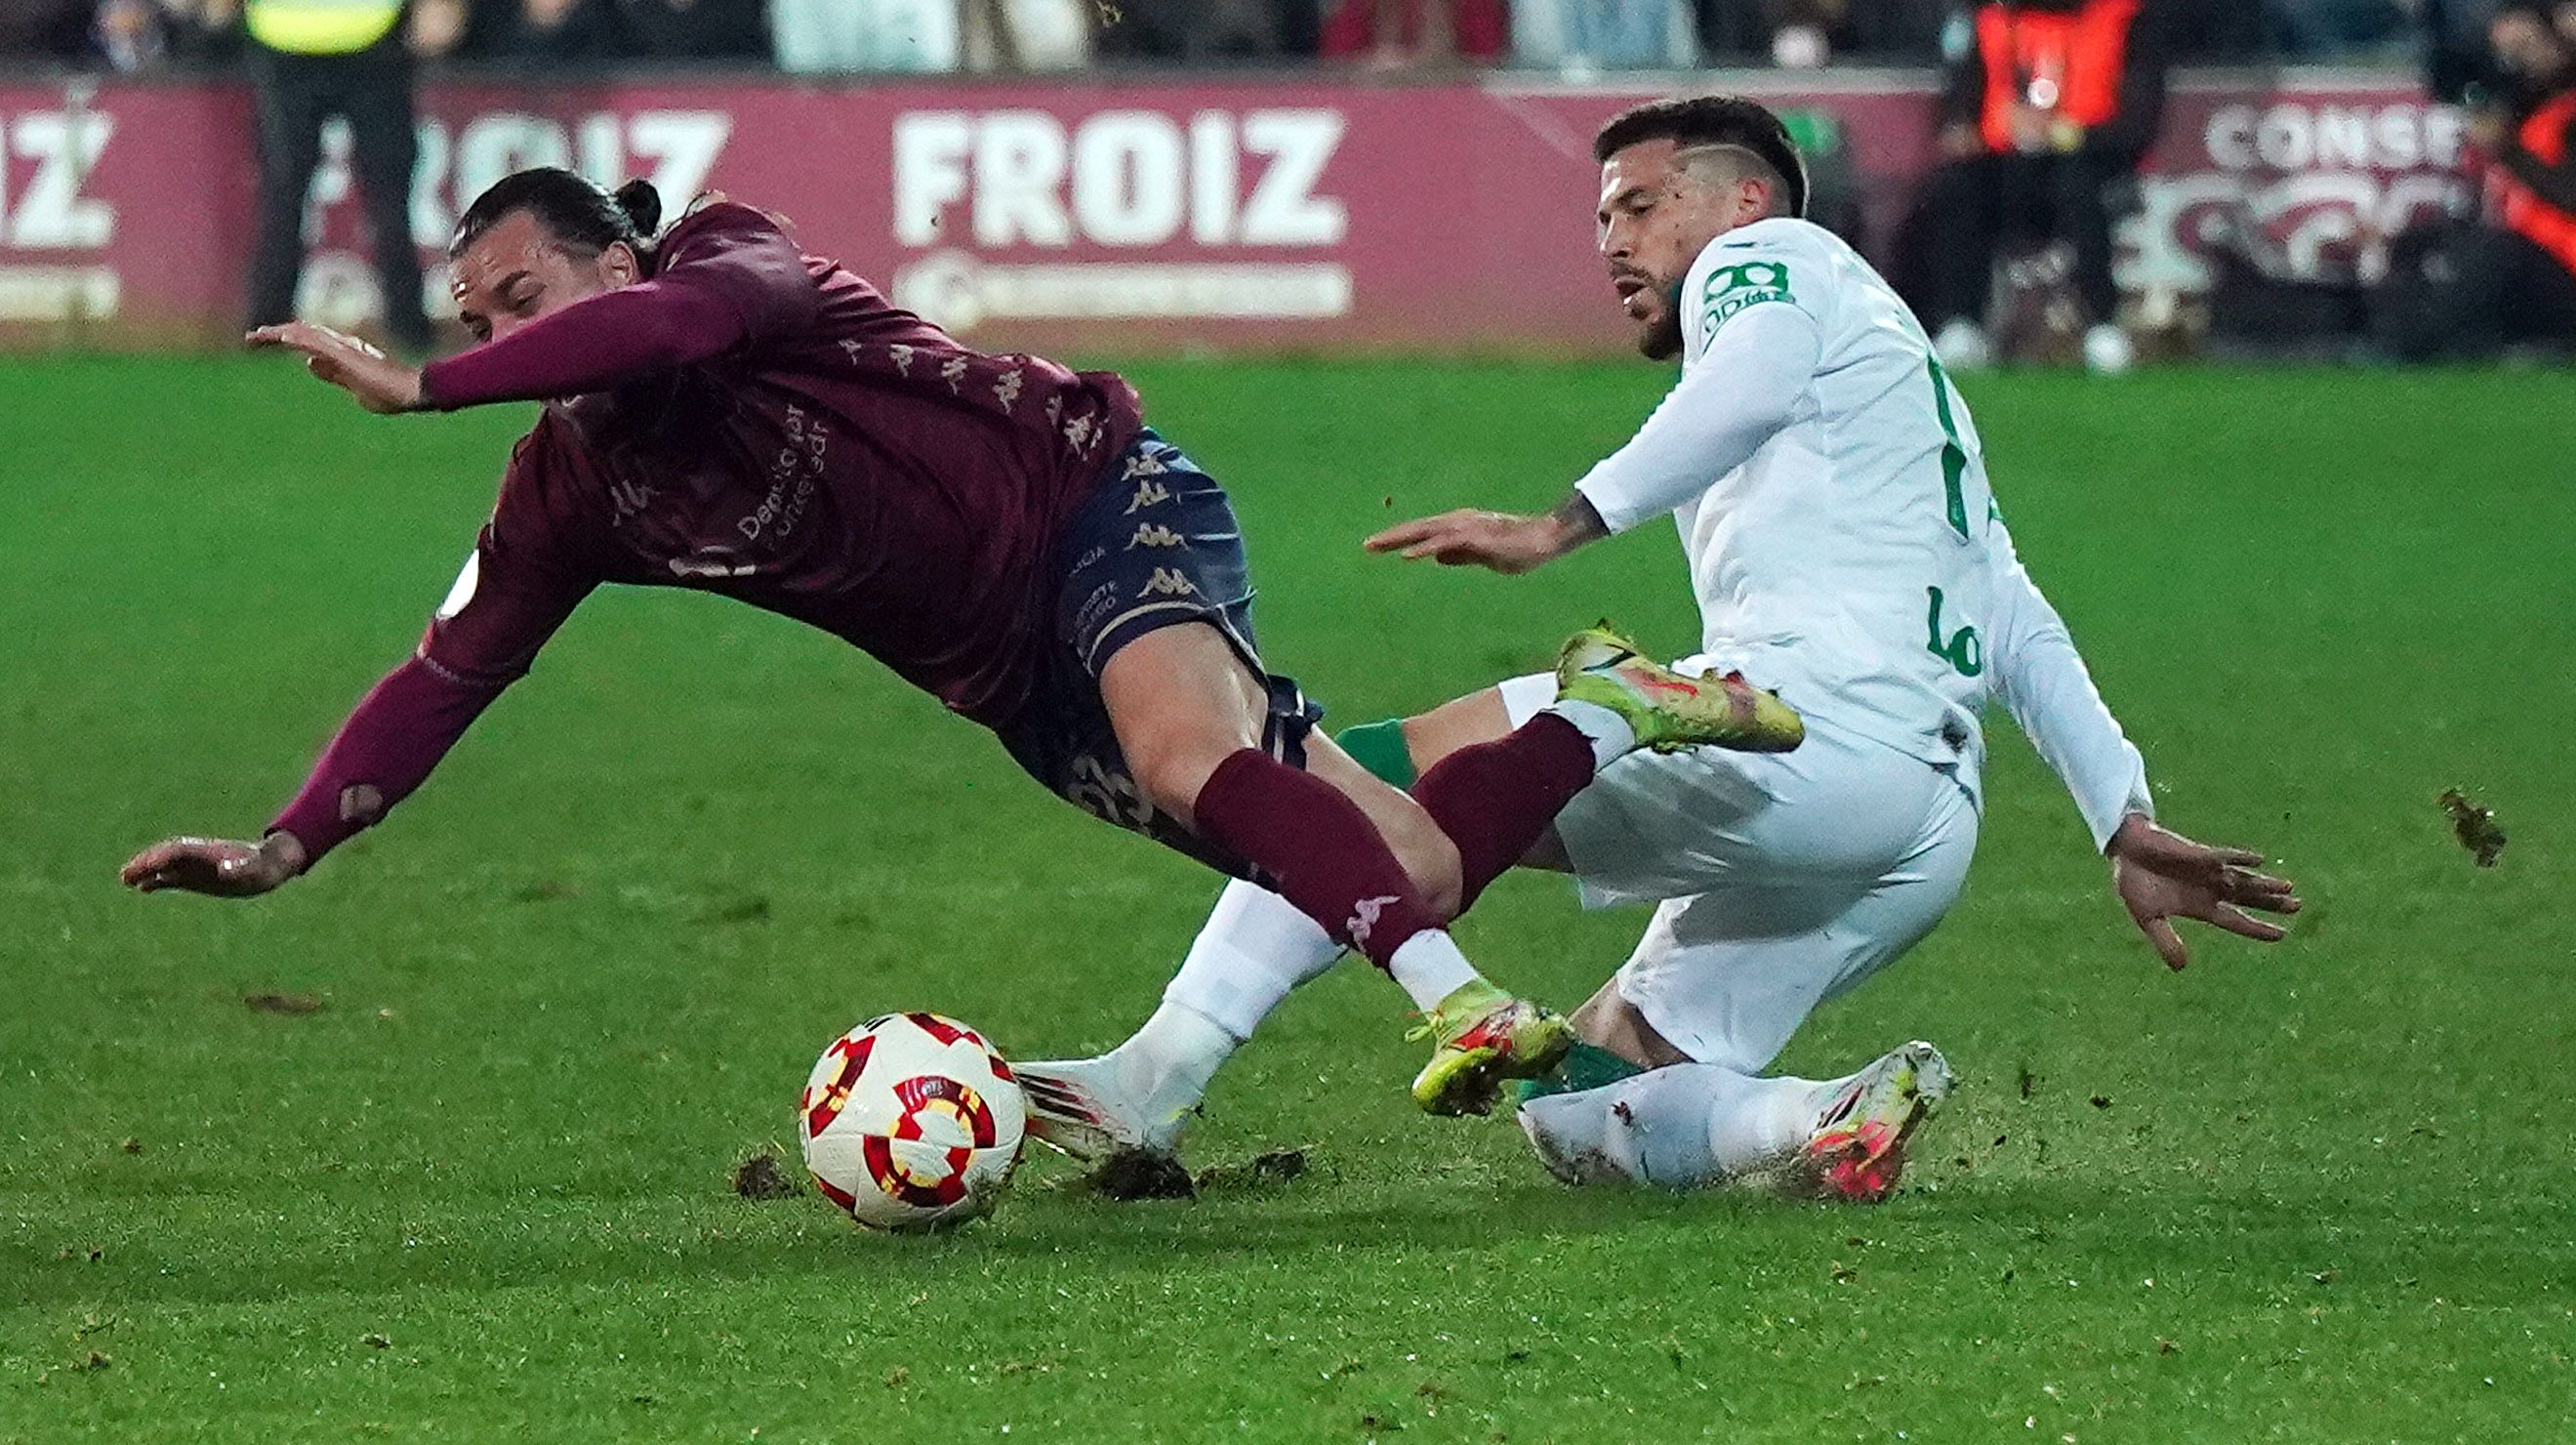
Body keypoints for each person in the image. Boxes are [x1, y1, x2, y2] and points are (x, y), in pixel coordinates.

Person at [121, 169, 1804, 1116]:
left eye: (524, 297)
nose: (499, 333)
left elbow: (682, 321)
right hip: (1002, 676)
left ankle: (1460, 1010)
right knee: (1408, 863)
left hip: (1094, 496)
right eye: (471, 319)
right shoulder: (570, 487)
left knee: (1192, 759)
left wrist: (419, 382)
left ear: (615, 256)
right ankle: (1595, 710)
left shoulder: (725, 257)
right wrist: (284, 847)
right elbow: (447, 671)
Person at [1017, 97, 2301, 1201]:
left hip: (1786, 723)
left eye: (1636, 209)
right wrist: (2118, 813)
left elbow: (1736, 384)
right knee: (1585, 1109)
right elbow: (2012, 610)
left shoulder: (1771, 261)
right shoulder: (1906, 387)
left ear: (1737, 199)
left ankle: (1154, 1080)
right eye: (1597, 221)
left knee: (1348, 777)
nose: (1612, 245)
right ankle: (1828, 1112)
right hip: (1919, 822)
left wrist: (1563, 524)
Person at [2382, 1, 2576, 359]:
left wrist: (2505, 149)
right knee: (2430, 244)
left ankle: (2410, 350)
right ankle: (2382, 332)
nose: (2520, 61)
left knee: (2499, 254)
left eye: (2530, 47)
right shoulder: (2528, 121)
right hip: (2528, 278)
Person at [1925, 0, 2167, 375]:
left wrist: (2065, 133)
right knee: (1959, 185)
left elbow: (2140, 124)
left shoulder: (2123, 17)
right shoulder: (1991, 19)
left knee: (2078, 186)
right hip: (2004, 163)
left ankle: (2102, 325)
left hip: (2091, 160)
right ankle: (1963, 323)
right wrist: (1962, 130)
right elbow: (1960, 104)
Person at [241, 0, 444, 352]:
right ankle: (409, 327)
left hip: (289, 31)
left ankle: (266, 326)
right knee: (386, 196)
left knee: (285, 193)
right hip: (366, 31)